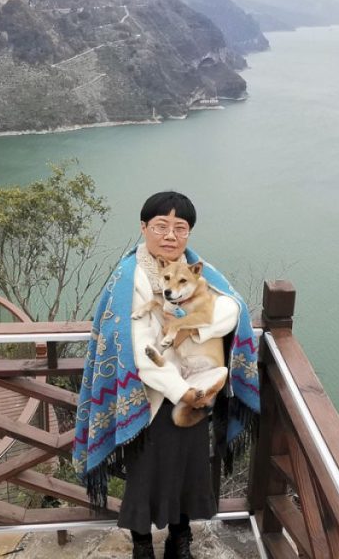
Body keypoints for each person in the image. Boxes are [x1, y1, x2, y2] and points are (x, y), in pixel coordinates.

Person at [74, 191, 260, 559]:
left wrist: (195, 331)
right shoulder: (130, 279)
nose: (171, 235)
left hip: (197, 386)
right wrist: (181, 391)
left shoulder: (197, 269)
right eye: (161, 226)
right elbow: (135, 347)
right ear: (144, 228)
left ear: (189, 233)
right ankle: (142, 545)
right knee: (145, 474)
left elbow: (232, 309)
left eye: (180, 227)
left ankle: (181, 538)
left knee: (190, 469)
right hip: (151, 397)